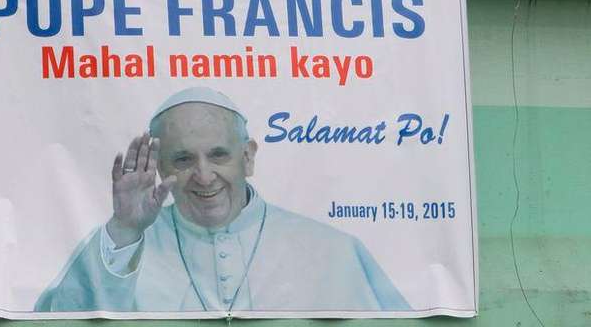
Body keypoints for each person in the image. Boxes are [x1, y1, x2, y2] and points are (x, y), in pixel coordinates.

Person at [36, 87, 409, 313]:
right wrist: (124, 230)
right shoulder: (122, 243)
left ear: (247, 157)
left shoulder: (333, 250)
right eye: (183, 160)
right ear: (159, 165)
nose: (203, 175)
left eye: (218, 155)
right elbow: (60, 319)